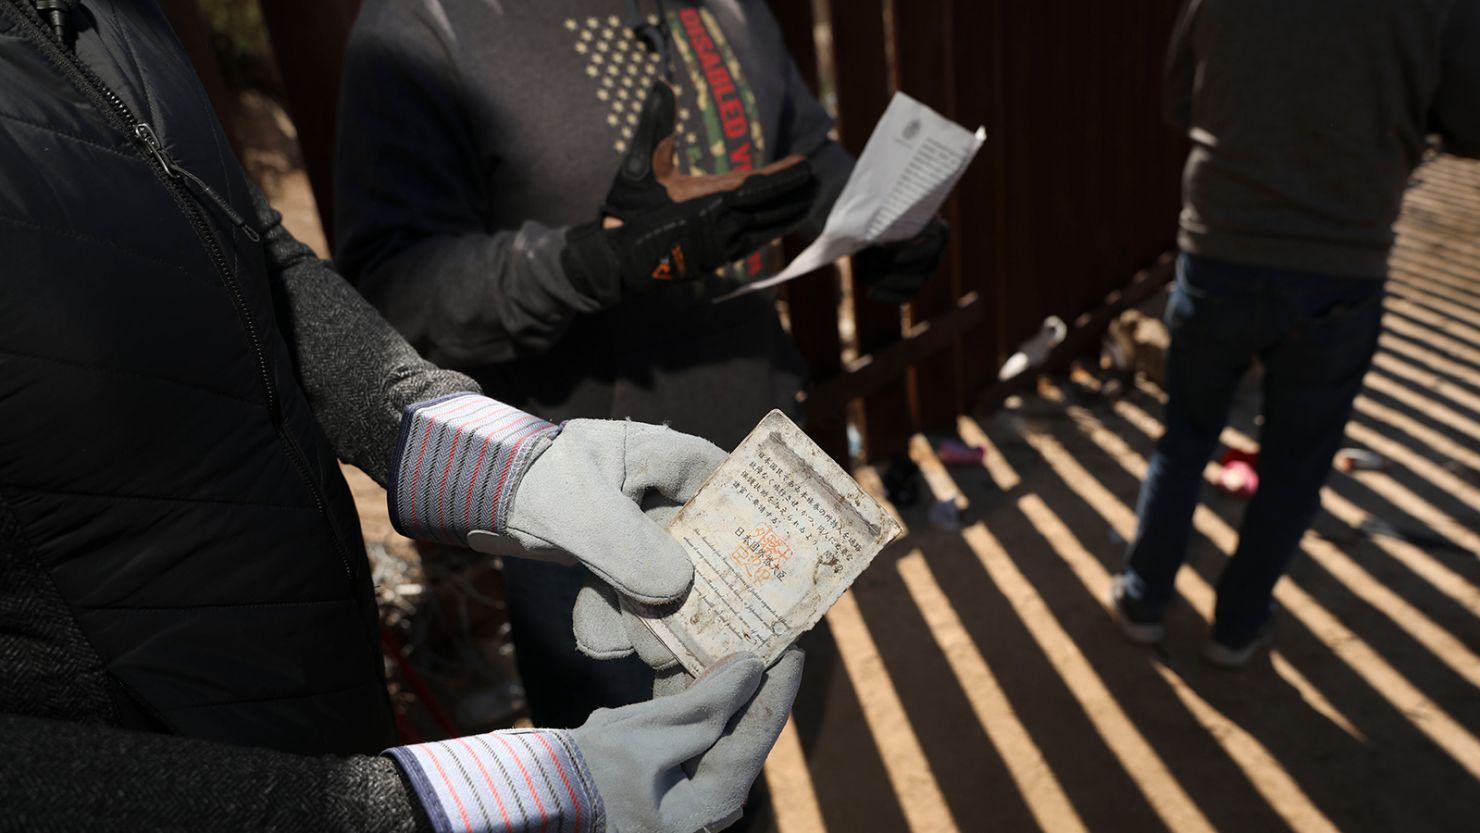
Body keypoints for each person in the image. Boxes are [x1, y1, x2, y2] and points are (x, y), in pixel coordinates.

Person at [0, 1, 803, 830]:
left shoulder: (108, 16)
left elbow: (255, 255)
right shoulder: (425, 27)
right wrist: (450, 806)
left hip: (320, 694)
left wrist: (482, 456)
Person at [334, 0, 948, 726]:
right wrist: (587, 263)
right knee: (638, 790)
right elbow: (395, 288)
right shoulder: (425, 24)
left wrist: (875, 216)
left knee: (750, 754)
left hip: (766, 466)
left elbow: (803, 151)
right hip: (593, 520)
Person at [1110, 0, 1480, 667]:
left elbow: (1178, 101)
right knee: (1295, 461)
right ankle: (1238, 626)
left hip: (1219, 248)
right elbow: (1471, 122)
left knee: (1187, 433)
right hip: (1339, 264)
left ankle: (1143, 598)